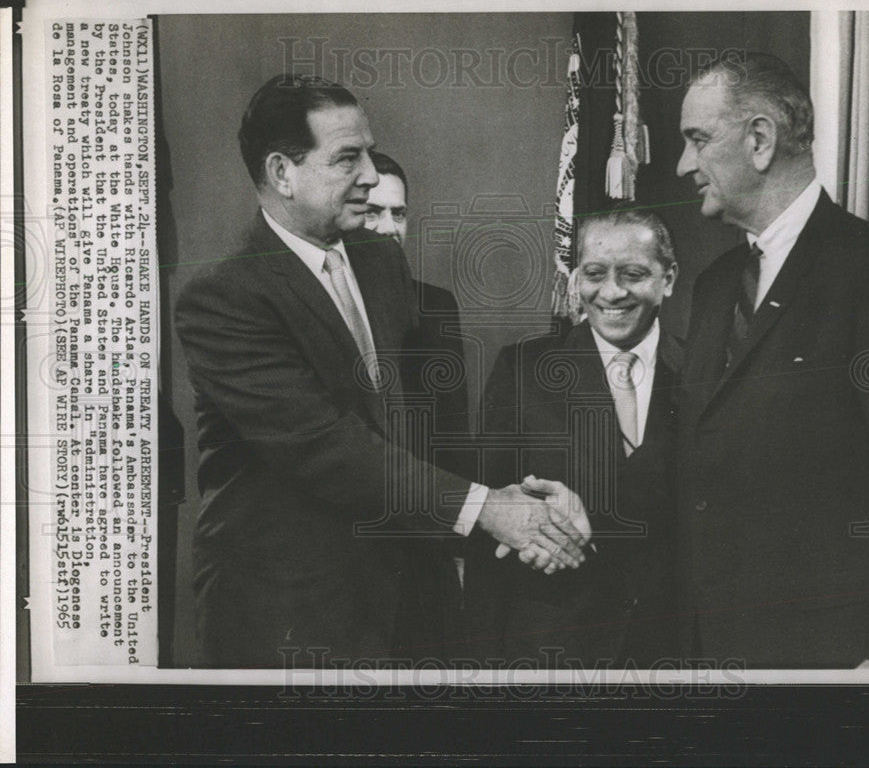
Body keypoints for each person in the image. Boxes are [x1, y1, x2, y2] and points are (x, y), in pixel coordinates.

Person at [174, 74, 589, 668]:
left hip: (407, 601)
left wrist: (523, 495)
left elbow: (422, 433)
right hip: (289, 615)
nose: (370, 174)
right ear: (281, 173)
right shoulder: (223, 300)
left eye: (368, 151)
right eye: (347, 157)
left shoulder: (379, 259)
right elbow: (328, 446)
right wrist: (491, 511)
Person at [674, 53, 869, 668]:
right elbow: (696, 451)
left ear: (759, 139)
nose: (683, 165)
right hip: (713, 650)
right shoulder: (715, 284)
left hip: (835, 658)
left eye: (697, 140)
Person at [464, 207, 684, 668]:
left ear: (668, 278)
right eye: (595, 273)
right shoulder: (522, 370)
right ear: (575, 279)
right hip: (552, 651)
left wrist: (595, 529)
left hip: (677, 648)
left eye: (633, 274)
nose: (611, 292)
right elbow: (488, 540)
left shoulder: (706, 371)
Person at [364, 150, 471, 649]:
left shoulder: (435, 308)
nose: (388, 227)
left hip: (425, 543)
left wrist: (457, 550)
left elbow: (452, 437)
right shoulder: (315, 303)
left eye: (399, 213)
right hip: (351, 546)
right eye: (373, 212)